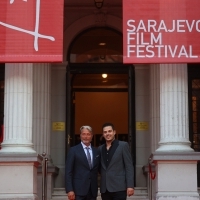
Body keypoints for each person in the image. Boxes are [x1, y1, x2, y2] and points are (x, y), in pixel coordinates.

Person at [99, 122, 134, 200]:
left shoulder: (123, 146)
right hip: (105, 189)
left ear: (114, 132)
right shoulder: (100, 149)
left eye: (109, 131)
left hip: (119, 188)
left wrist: (130, 185)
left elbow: (129, 167)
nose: (107, 134)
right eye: (105, 132)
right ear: (103, 134)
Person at [65, 125, 100, 200]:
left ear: (92, 136)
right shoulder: (73, 150)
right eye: (83, 134)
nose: (86, 136)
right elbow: (68, 171)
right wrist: (69, 190)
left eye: (88, 134)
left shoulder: (96, 151)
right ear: (80, 135)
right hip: (78, 191)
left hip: (92, 191)